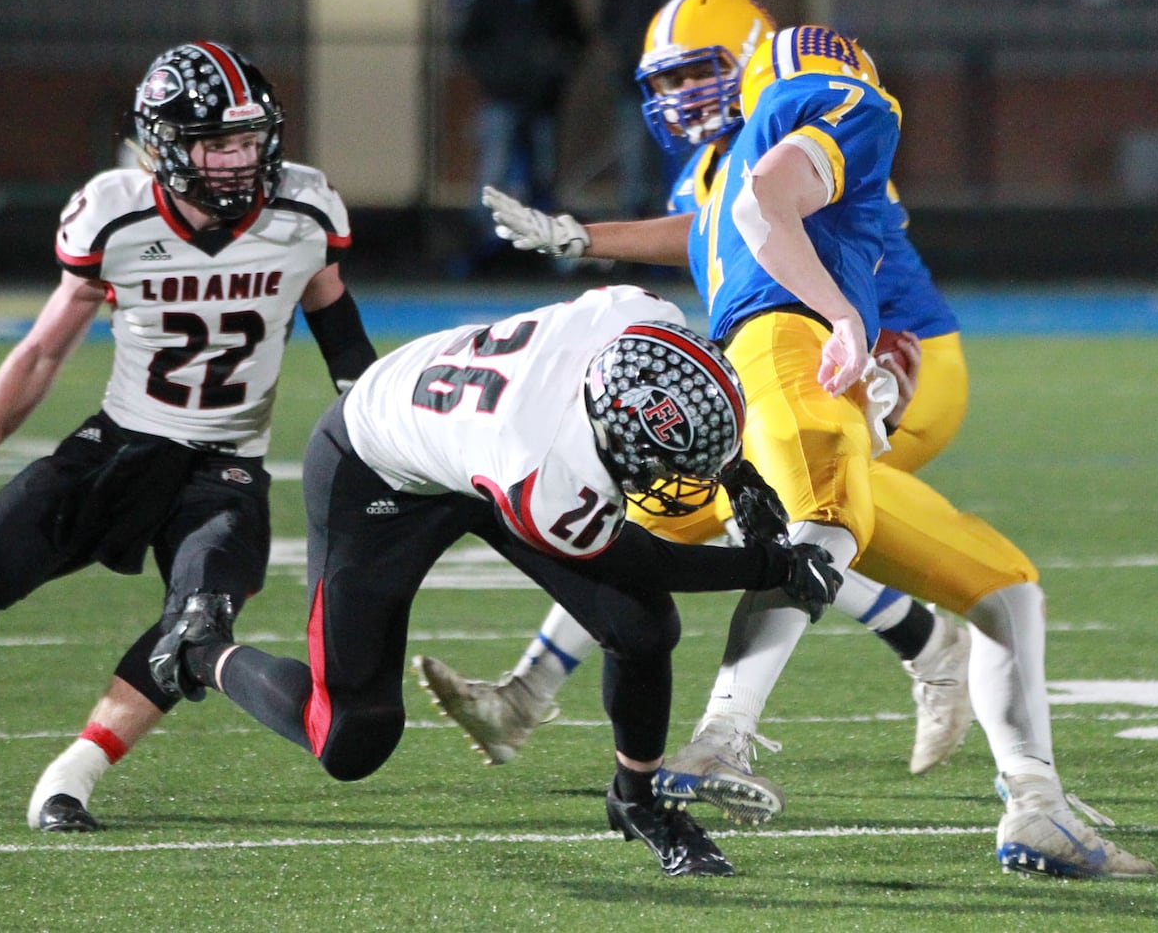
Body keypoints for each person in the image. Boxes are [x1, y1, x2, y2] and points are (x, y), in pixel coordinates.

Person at [465, 20, 1154, 879]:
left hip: (735, 404)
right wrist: (842, 315)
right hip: (789, 358)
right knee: (815, 529)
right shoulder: (847, 100)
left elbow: (727, 215)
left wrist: (583, 236)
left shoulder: (735, 152)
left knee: (1002, 589)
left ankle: (1035, 804)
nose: (681, 95)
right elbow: (761, 201)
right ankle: (721, 737)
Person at [418, 0, 972, 783]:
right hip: (801, 346)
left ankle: (905, 650)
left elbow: (792, 219)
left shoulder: (805, 121)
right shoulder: (719, 162)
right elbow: (714, 227)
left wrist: (857, 333)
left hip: (891, 358)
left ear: (750, 61)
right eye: (666, 83)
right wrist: (583, 235)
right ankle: (531, 692)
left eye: (696, 74)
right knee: (652, 496)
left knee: (786, 521)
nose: (679, 97)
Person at [144, 284, 842, 877]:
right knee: (352, 737)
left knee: (639, 629)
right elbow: (647, 561)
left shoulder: (639, 319)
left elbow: (667, 390)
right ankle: (201, 648)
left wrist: (733, 468)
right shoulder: (545, 473)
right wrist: (771, 565)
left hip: (477, 440)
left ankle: (637, 800)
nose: (672, 480)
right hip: (378, 468)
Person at [0, 41, 378, 833]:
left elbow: (343, 338)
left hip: (226, 468)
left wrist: (382, 433)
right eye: (216, 142)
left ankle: (70, 777)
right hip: (120, 446)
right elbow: (41, 350)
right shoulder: (116, 212)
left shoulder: (305, 211)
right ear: (163, 146)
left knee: (198, 624)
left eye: (249, 139)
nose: (240, 160)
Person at [454, 0, 586, 274]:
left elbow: (576, 43)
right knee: (493, 177)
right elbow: (469, 46)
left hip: (543, 105)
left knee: (544, 175)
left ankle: (548, 249)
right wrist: (498, 75)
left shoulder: (555, 0)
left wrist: (554, 68)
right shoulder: (492, 0)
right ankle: (483, 248)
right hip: (502, 102)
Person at [596, 0, 706, 219]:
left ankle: (681, 223)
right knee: (635, 165)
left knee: (683, 161)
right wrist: (626, 57)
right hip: (635, 85)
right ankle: (636, 233)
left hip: (682, 89)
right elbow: (607, 23)